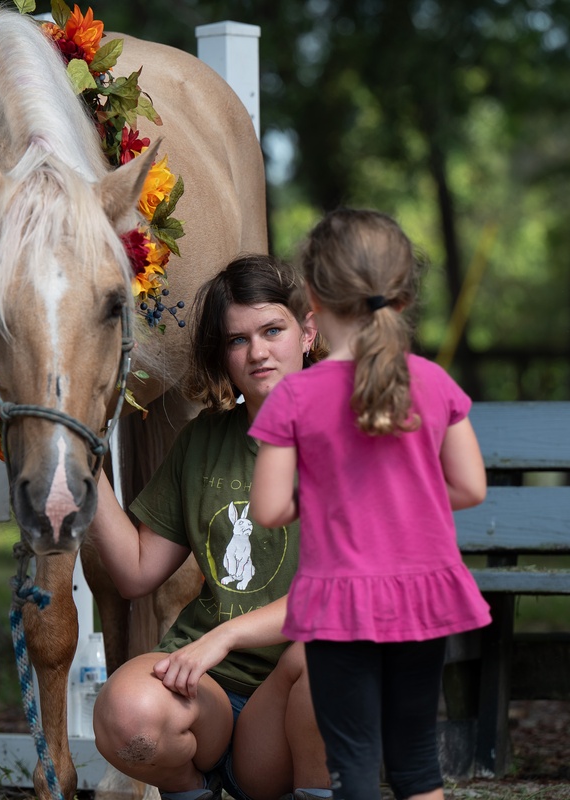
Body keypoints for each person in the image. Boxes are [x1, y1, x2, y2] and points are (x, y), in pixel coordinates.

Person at [248, 208, 491, 800]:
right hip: (424, 594)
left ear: (312, 298)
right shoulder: (434, 383)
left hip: (340, 607)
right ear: (403, 298)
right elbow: (470, 488)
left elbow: (270, 508)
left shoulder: (295, 398)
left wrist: (334, 497)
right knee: (416, 766)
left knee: (352, 765)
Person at [89, 253, 332, 800]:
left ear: (308, 332)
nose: (258, 352)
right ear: (222, 355)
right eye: (237, 340)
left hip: (296, 702)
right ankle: (191, 791)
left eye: (273, 330)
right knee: (127, 715)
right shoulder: (203, 442)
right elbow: (134, 571)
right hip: (209, 696)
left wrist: (222, 638)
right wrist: (82, 462)